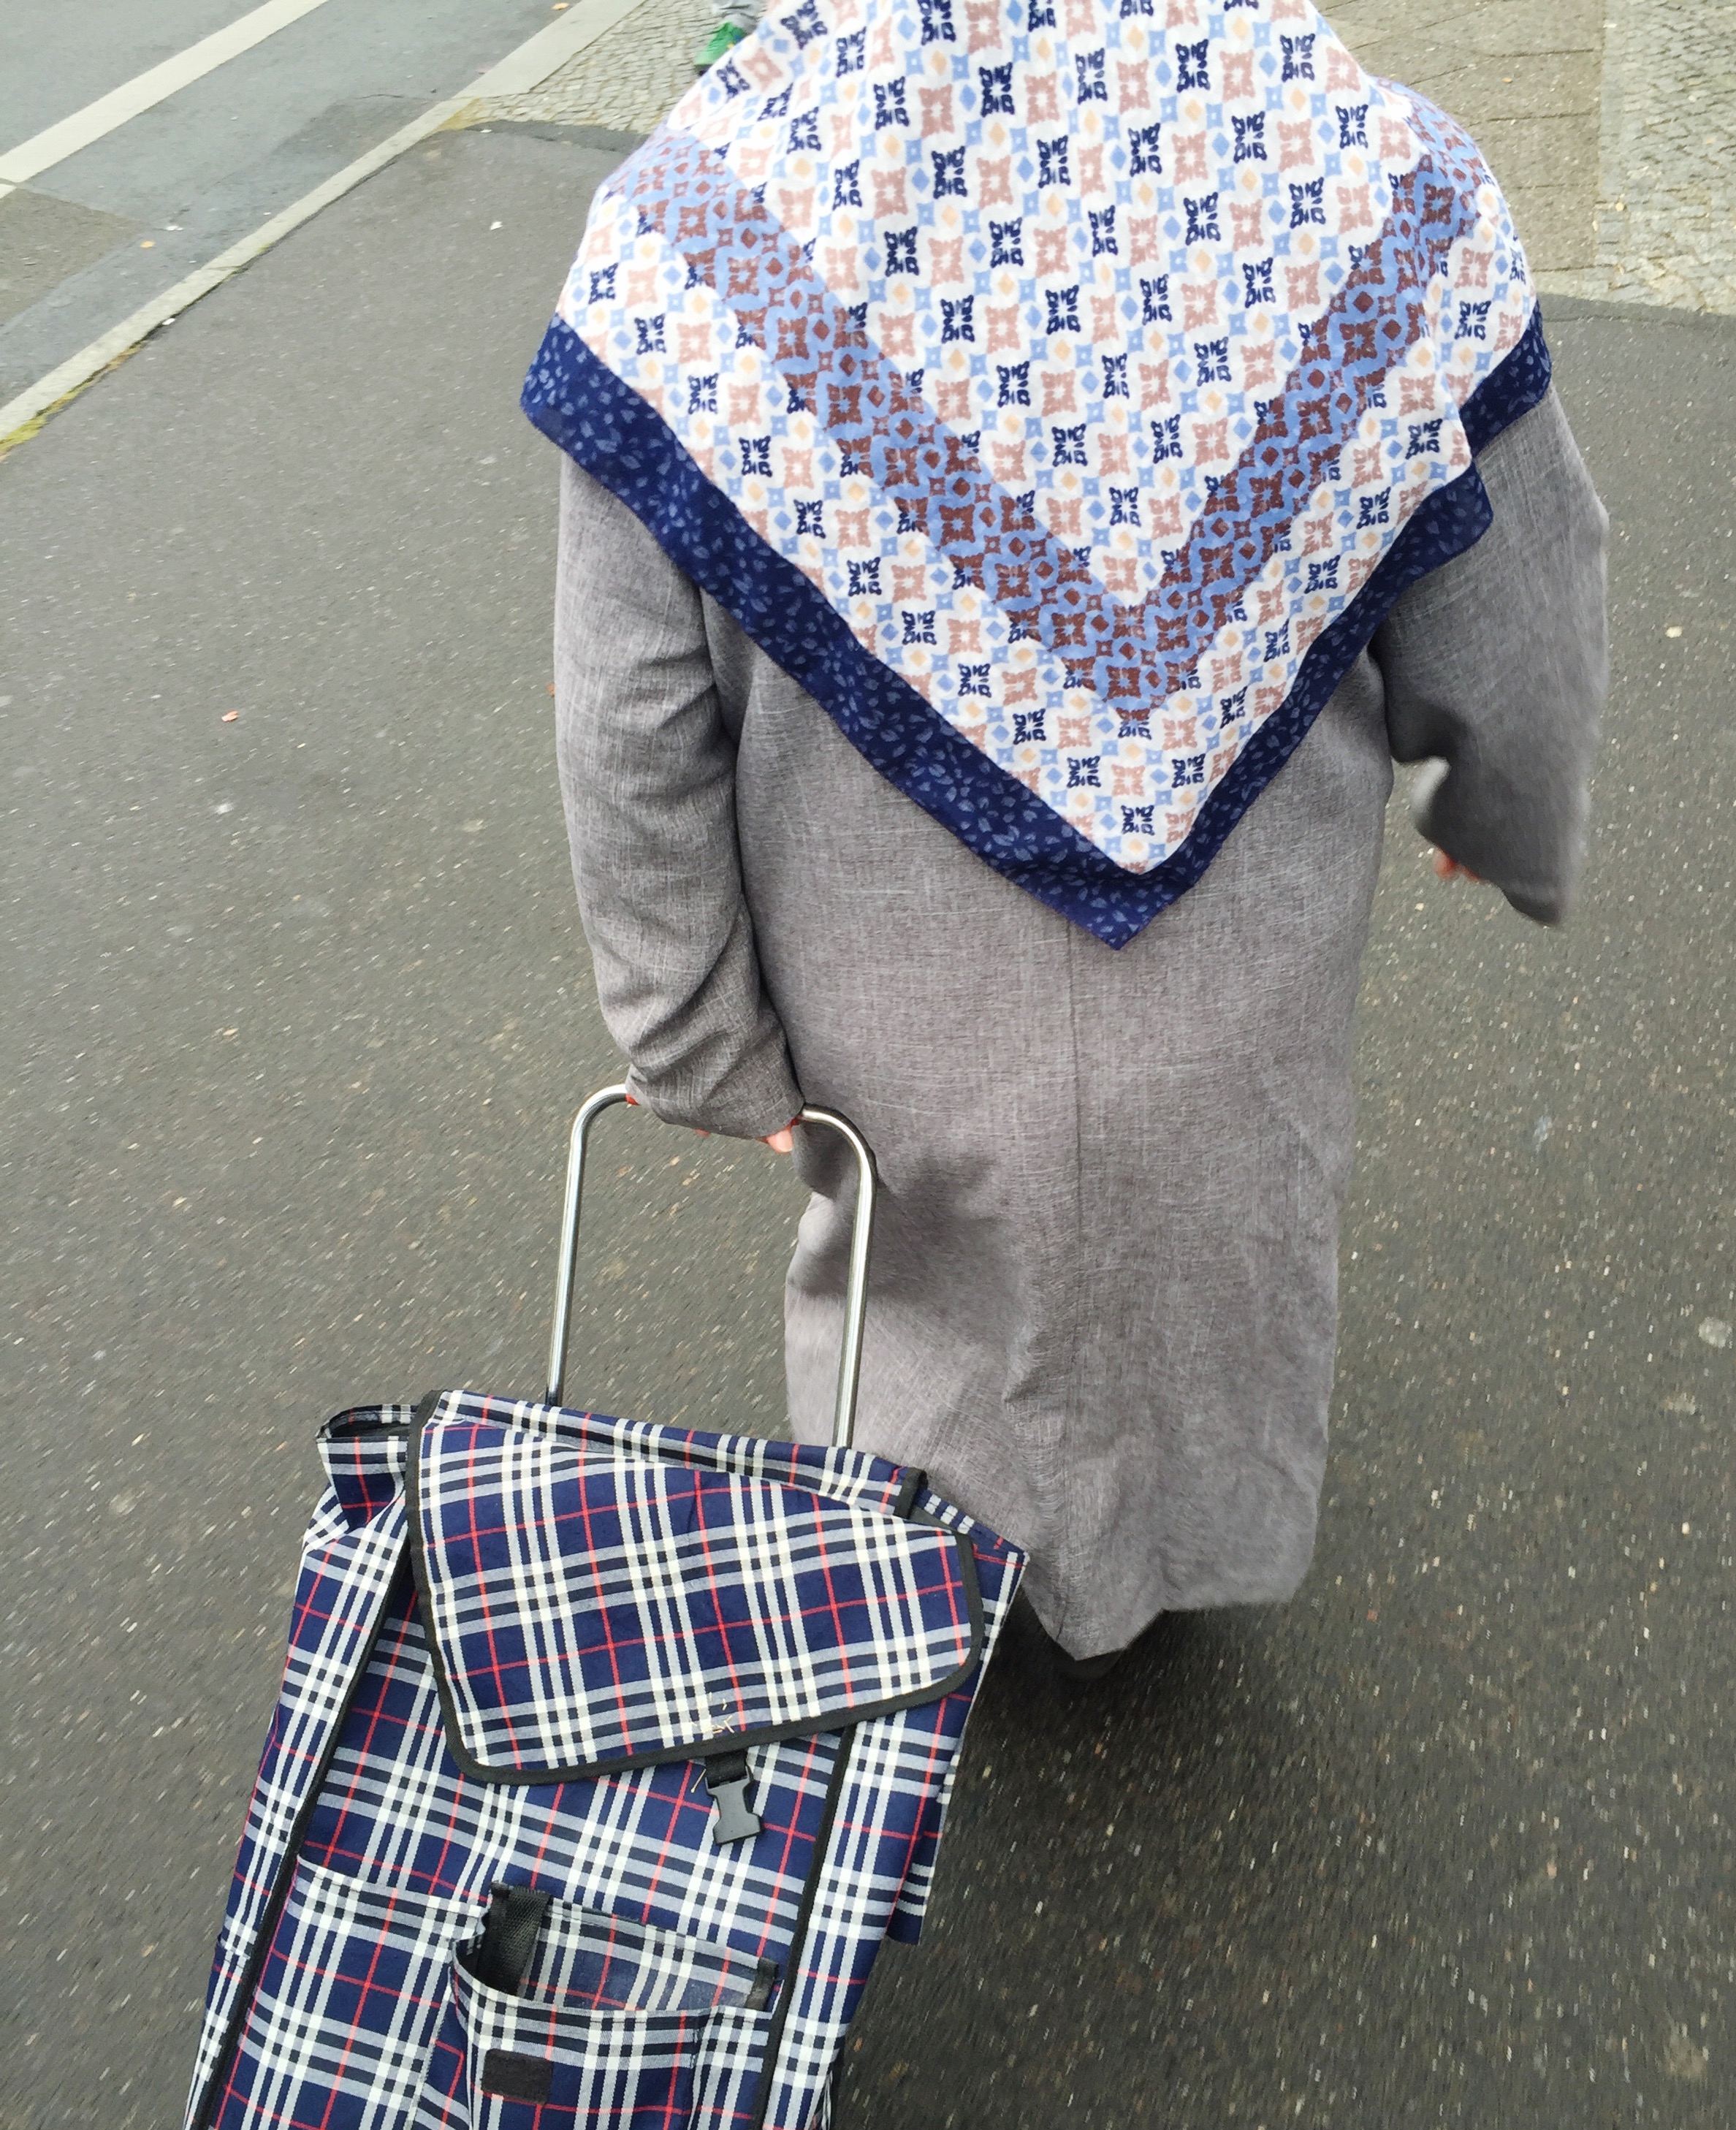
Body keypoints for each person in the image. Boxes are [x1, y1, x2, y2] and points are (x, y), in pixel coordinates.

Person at [522, 0, 1607, 1688]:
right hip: (1241, 971)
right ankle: (1175, 1559)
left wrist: (701, 1042)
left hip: (881, 991)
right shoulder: (1382, 187)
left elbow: (630, 714)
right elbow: (1521, 587)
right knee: (1219, 1244)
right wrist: (1500, 802)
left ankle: (912, 1595)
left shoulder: (697, 226)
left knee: (913, 1278)